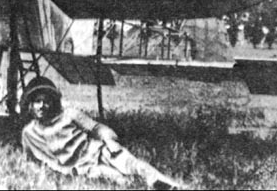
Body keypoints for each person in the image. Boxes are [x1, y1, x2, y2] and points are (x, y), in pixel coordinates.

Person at [21, 77, 181, 190]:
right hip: (84, 168)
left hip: (100, 151)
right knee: (119, 180)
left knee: (133, 165)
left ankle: (170, 186)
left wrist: (110, 141)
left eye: (46, 101)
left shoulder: (69, 115)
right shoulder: (29, 133)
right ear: (30, 105)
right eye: (37, 101)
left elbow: (96, 128)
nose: (42, 106)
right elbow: (32, 160)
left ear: (53, 102)